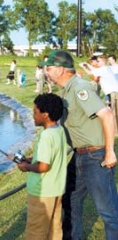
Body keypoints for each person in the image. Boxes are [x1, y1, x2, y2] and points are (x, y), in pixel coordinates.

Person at [41, 49, 118, 240]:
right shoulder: (67, 90)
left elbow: (107, 115)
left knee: (108, 212)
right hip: (79, 156)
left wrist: (110, 152)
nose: (46, 72)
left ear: (60, 69)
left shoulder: (79, 88)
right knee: (69, 199)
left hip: (95, 156)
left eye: (48, 68)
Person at [17, 93, 68, 240]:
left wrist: (26, 167)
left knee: (36, 232)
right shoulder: (59, 130)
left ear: (45, 114)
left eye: (35, 112)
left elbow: (44, 166)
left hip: (42, 192)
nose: (33, 115)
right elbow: (50, 156)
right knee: (54, 230)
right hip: (56, 190)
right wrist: (30, 159)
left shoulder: (46, 136)